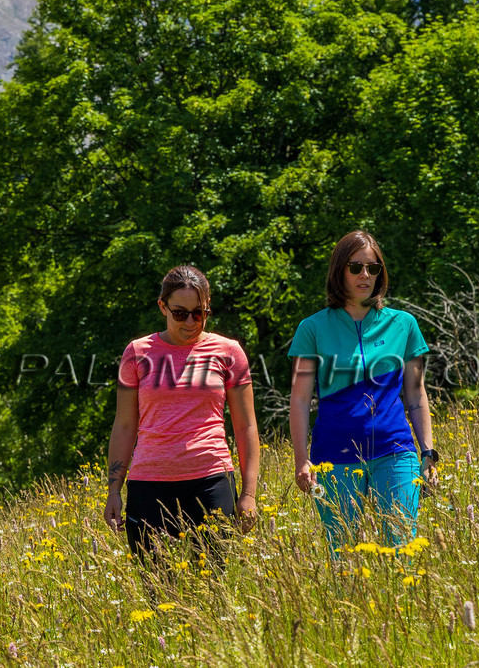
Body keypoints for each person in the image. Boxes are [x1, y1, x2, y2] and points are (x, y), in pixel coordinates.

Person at [289, 231, 438, 550]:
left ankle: (402, 604)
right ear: (339, 271)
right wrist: (302, 459)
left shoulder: (404, 324)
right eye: (355, 267)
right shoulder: (312, 328)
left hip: (395, 451)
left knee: (401, 553)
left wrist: (428, 453)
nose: (365, 275)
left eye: (374, 268)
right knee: (343, 560)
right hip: (333, 457)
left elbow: (416, 395)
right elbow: (300, 400)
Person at [104, 265, 260, 564]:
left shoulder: (228, 352)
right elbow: (124, 426)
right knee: (157, 592)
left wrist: (249, 494)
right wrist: (114, 489)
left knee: (214, 592)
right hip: (149, 484)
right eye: (180, 313)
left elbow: (246, 425)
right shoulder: (137, 353)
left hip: (211, 480)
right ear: (162, 306)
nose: (190, 322)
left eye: (198, 313)